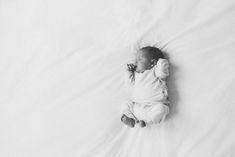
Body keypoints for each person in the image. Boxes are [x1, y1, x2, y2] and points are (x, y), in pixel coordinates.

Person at [120, 46, 170, 128]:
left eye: (139, 60)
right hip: (138, 106)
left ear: (153, 62)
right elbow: (129, 82)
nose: (135, 62)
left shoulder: (156, 72)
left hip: (154, 106)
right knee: (126, 105)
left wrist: (160, 61)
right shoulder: (136, 75)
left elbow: (163, 71)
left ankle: (145, 122)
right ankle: (131, 119)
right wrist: (128, 71)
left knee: (163, 109)